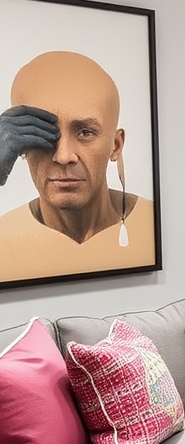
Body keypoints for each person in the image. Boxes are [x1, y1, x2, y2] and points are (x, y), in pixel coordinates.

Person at [0, 51, 155, 281]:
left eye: (85, 132)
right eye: (42, 132)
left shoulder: (156, 226)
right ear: (21, 148)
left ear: (116, 145)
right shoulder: (5, 238)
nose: (63, 157)